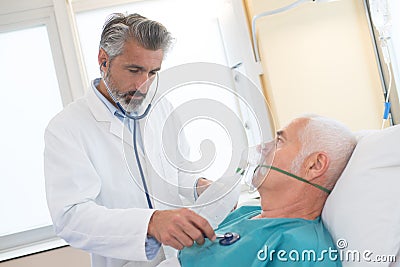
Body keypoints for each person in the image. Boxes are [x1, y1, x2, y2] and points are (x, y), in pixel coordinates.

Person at [44, 13, 215, 267]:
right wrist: (151, 223)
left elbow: (179, 174)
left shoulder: (161, 108)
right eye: (134, 70)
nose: (143, 86)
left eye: (153, 72)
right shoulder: (66, 128)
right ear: (104, 60)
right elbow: (71, 217)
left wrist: (200, 186)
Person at [178, 115, 357, 266]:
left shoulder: (302, 249)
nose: (262, 148)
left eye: (279, 141)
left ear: (314, 165)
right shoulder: (247, 211)